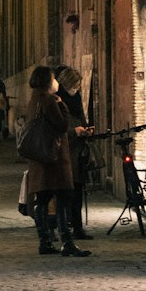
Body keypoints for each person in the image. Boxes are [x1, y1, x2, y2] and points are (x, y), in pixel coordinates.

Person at [24, 65, 90, 257]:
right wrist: (61, 104)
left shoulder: (34, 100)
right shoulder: (50, 101)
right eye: (53, 79)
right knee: (63, 197)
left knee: (43, 198)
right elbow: (62, 125)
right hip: (54, 157)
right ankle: (67, 242)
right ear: (47, 82)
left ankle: (44, 241)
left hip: (39, 157)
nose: (56, 82)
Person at [55, 64, 94, 240]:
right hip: (64, 153)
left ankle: (77, 227)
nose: (77, 89)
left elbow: (81, 118)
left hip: (78, 154)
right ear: (66, 84)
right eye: (75, 85)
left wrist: (86, 129)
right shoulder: (56, 102)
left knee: (78, 191)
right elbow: (56, 129)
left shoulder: (76, 99)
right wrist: (73, 132)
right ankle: (64, 228)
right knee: (65, 193)